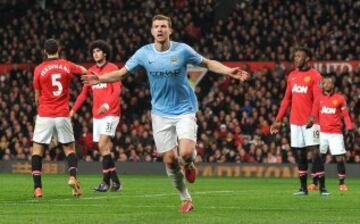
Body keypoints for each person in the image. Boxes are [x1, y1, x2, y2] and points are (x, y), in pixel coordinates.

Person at [82, 14, 248, 213]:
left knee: (185, 152)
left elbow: (208, 63)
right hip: (160, 113)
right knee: (169, 159)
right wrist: (99, 78)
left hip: (185, 108)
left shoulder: (183, 50)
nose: (160, 30)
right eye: (156, 27)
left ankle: (189, 162)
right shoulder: (144, 53)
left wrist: (229, 71)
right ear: (152, 31)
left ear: (170, 30)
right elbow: (121, 73)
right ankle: (185, 198)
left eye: (163, 26)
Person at [270, 47, 329, 196]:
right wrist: (278, 120)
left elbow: (318, 99)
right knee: (300, 154)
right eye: (295, 56)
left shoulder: (315, 76)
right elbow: (286, 100)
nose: (296, 59)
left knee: (315, 152)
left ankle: (322, 187)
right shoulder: (292, 76)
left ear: (307, 58)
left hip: (311, 122)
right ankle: (303, 188)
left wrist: (313, 117)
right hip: (295, 122)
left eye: (300, 56)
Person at [32, 39, 87, 198]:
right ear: (59, 49)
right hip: (63, 113)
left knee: (37, 151)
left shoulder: (39, 69)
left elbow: (36, 97)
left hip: (45, 114)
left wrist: (40, 106)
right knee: (69, 149)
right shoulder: (66, 65)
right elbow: (83, 70)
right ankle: (72, 177)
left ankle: (38, 188)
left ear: (44, 51)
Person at [71, 40, 122, 192]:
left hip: (111, 112)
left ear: (104, 53)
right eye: (93, 52)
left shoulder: (113, 68)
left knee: (102, 144)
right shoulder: (90, 71)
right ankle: (116, 182)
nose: (95, 54)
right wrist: (73, 110)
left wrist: (107, 104)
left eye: (98, 51)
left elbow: (117, 91)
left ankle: (105, 183)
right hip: (97, 115)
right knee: (104, 149)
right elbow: (83, 94)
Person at [306, 74, 354, 191]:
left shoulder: (340, 98)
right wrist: (311, 122)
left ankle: (341, 183)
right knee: (318, 158)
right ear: (322, 85)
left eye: (329, 83)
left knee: (339, 158)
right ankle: (314, 183)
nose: (326, 85)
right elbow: (313, 114)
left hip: (336, 133)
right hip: (322, 133)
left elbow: (346, 115)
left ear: (332, 85)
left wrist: (350, 128)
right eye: (325, 83)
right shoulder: (318, 99)